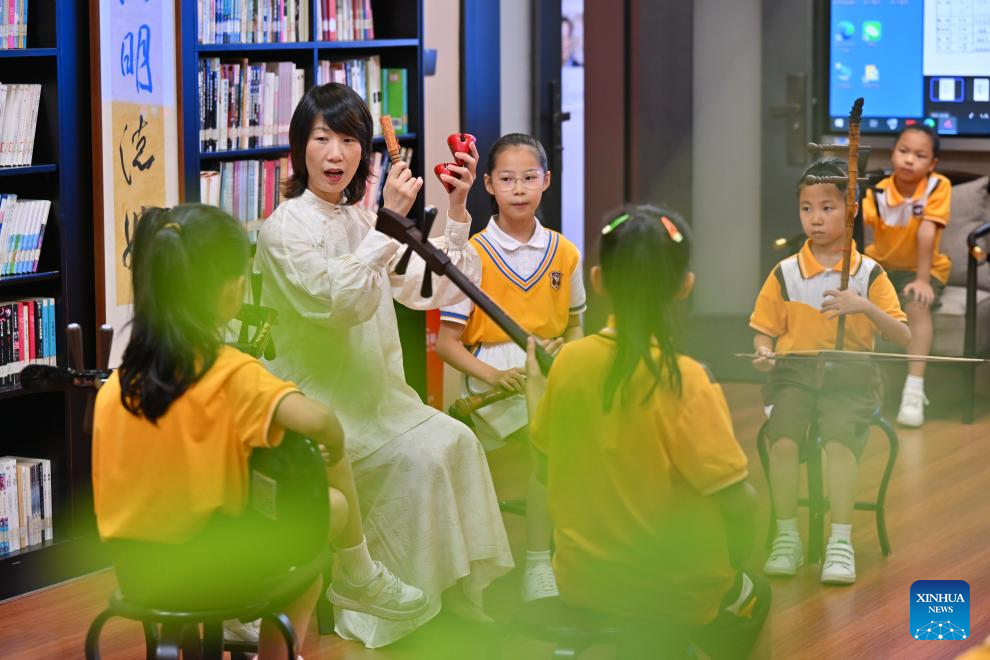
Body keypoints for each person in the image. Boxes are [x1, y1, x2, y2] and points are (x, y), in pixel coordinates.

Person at [92, 205, 428, 660]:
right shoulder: (230, 372)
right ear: (231, 291)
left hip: (138, 575)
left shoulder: (114, 387)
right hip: (216, 575)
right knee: (329, 511)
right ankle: (284, 646)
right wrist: (331, 446)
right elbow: (321, 423)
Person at [254, 83, 513, 647]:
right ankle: (384, 604)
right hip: (325, 409)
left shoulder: (360, 221)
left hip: (383, 400)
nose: (336, 154)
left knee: (457, 440)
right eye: (322, 139)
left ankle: (453, 596)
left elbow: (432, 289)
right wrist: (386, 222)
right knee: (420, 461)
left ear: (364, 152)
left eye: (350, 141)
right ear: (299, 146)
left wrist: (457, 209)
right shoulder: (283, 228)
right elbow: (337, 304)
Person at [524, 205, 770, 659]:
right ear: (685, 286)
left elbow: (543, 469)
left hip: (582, 580)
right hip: (672, 590)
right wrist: (736, 557)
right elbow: (738, 502)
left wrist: (536, 394)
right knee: (759, 596)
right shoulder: (686, 379)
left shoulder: (569, 363)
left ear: (597, 280)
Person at [435, 133, 585, 603]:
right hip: (493, 389)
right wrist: (496, 377)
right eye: (506, 179)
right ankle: (538, 562)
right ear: (488, 184)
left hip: (551, 376)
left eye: (529, 178)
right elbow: (446, 346)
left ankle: (581, 550)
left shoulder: (565, 252)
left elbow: (576, 327)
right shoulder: (472, 254)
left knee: (594, 437)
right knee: (550, 446)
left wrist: (567, 359)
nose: (519, 189)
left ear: (547, 181)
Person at [752, 160, 911, 585]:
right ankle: (787, 535)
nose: (815, 219)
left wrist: (864, 306)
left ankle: (840, 540)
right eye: (806, 208)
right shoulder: (785, 272)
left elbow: (902, 335)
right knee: (783, 441)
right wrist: (764, 352)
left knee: (839, 442)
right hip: (794, 374)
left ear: (850, 211)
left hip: (850, 377)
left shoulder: (868, 273)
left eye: (827, 208)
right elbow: (764, 330)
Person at [862, 124, 951, 427]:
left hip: (924, 269)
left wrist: (923, 279)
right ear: (893, 153)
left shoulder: (937, 186)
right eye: (903, 151)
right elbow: (857, 224)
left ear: (932, 163)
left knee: (916, 304)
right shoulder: (877, 190)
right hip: (882, 266)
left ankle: (913, 390)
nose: (909, 160)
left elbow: (927, 232)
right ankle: (860, 386)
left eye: (919, 155)